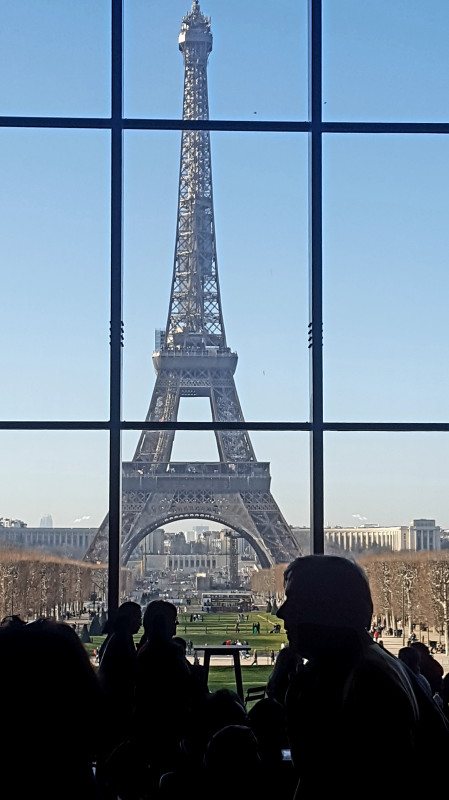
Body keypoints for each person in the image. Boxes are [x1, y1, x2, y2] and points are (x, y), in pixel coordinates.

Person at [276, 555, 439, 799]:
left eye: (294, 600)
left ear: (327, 607)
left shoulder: (367, 680)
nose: (281, 612)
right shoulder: (367, 667)